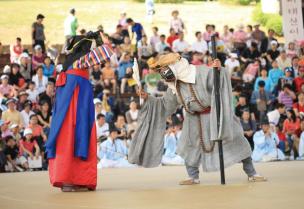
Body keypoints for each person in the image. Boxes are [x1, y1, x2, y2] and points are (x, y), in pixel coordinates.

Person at [129, 53, 267, 185]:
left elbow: (219, 84)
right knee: (189, 147)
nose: (163, 73)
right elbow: (165, 104)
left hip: (214, 115)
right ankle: (193, 176)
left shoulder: (201, 72)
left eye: (164, 69)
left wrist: (218, 70)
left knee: (236, 140)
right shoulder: (174, 85)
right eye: (161, 70)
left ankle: (252, 173)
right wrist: (148, 98)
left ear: (175, 65)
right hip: (192, 119)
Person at [45, 32, 113, 191]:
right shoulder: (81, 59)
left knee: (66, 135)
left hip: (68, 102)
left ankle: (68, 179)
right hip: (76, 102)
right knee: (76, 133)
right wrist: (103, 39)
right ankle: (72, 179)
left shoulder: (68, 62)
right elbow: (106, 52)